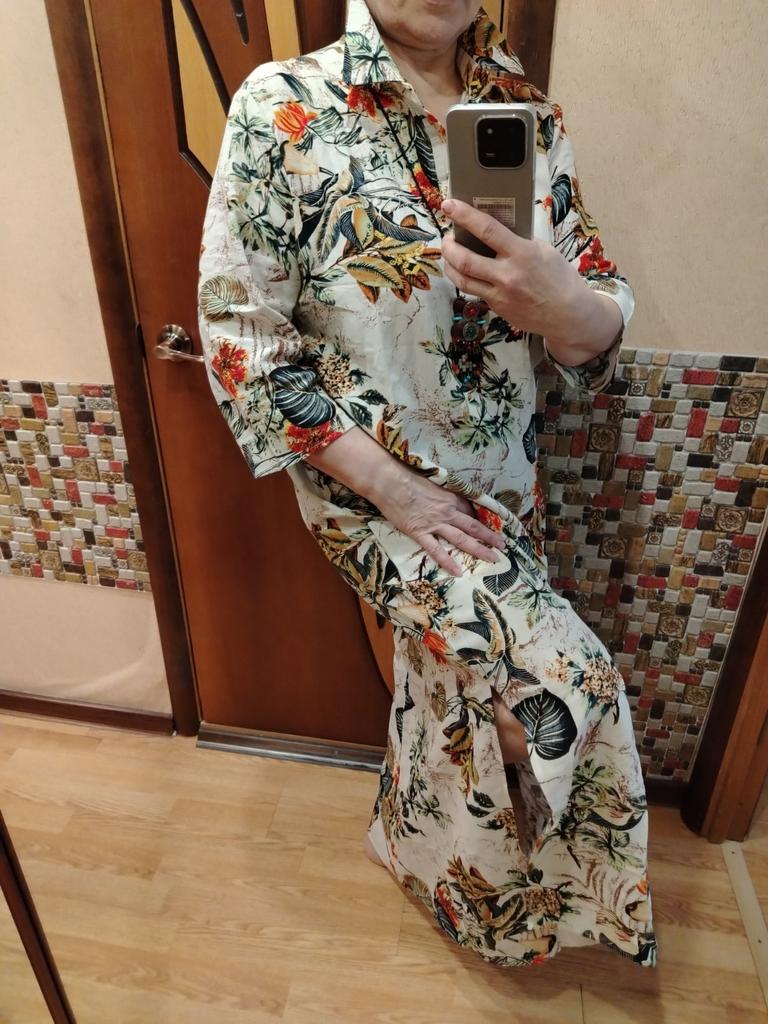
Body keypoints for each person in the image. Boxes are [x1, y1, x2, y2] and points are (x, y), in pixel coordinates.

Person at [197, 0, 657, 968]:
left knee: (449, 693)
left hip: (504, 480)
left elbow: (597, 312)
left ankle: (424, 862)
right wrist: (395, 494)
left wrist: (566, 307)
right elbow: (242, 337)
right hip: (372, 492)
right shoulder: (285, 106)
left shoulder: (524, 114)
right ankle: (566, 911)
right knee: (566, 688)